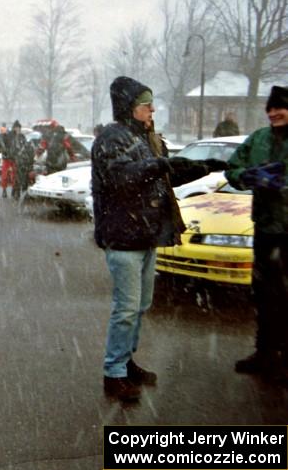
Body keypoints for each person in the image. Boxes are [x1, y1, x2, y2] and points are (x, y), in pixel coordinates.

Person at [92, 76, 225, 402]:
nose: (152, 109)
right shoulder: (112, 138)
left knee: (140, 306)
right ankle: (113, 374)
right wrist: (161, 163)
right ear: (128, 107)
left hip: (147, 235)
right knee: (125, 309)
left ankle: (126, 361)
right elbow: (122, 177)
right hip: (123, 237)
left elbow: (166, 173)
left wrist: (205, 167)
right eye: (145, 104)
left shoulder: (148, 138)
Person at [225, 85, 288, 384]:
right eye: (270, 109)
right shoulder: (258, 138)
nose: (274, 113)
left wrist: (283, 184)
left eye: (280, 108)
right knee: (264, 293)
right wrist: (246, 177)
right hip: (265, 228)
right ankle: (264, 353)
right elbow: (233, 167)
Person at [2, 120, 32, 200]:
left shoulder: (22, 136)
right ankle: (4, 189)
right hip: (7, 158)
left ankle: (14, 191)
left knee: (15, 175)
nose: (18, 129)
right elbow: (4, 144)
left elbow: (25, 145)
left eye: (19, 128)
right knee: (4, 175)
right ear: (14, 128)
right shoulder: (9, 135)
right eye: (16, 128)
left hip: (17, 159)